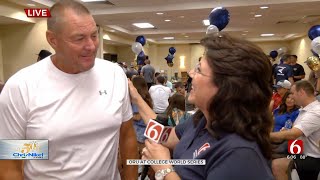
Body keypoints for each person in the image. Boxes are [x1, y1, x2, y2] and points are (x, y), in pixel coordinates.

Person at [0, 1, 138, 180]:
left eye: (94, 36)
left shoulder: (113, 74)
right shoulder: (21, 86)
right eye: (79, 39)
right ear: (53, 40)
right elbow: (11, 163)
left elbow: (126, 135)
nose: (91, 46)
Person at [128, 33, 274, 179]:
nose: (191, 73)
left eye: (199, 69)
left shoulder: (240, 152)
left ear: (225, 87)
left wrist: (164, 168)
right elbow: (164, 135)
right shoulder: (202, 121)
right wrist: (136, 97)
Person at [271, 80, 320, 180]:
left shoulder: (316, 111)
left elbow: (294, 134)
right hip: (298, 152)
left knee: (277, 164)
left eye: (293, 93)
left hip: (311, 157)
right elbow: (295, 135)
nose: (291, 97)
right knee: (268, 155)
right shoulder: (303, 110)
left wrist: (265, 135)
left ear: (301, 92)